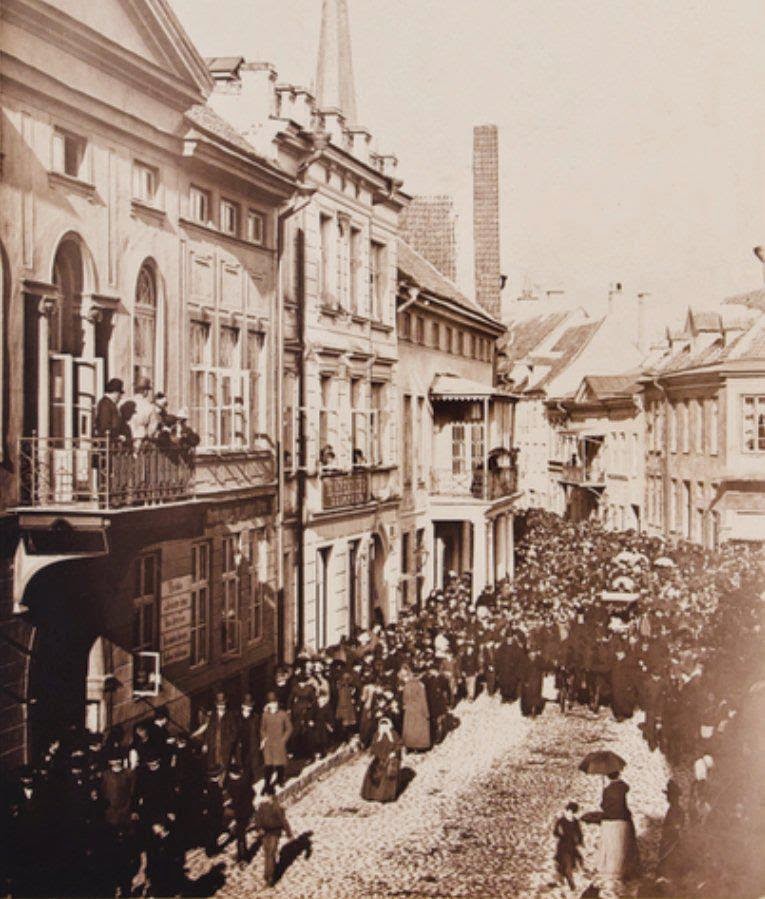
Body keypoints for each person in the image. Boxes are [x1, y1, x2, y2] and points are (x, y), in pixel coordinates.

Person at [597, 770, 640, 888]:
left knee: (610, 847)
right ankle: (623, 871)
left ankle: (609, 872)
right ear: (618, 774)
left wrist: (605, 789)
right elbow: (626, 787)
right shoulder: (622, 787)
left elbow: (603, 806)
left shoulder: (606, 790)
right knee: (622, 846)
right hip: (622, 820)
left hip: (608, 821)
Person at [253, 784, 294, 888]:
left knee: (271, 853)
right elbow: (257, 818)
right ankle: (268, 873)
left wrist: (289, 833)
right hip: (265, 833)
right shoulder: (261, 806)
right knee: (267, 853)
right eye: (264, 796)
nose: (265, 798)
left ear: (271, 796)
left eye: (267, 796)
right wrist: (259, 828)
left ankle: (270, 877)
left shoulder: (276, 807)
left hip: (275, 833)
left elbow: (283, 821)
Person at [360, 717, 402, 803]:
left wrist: (394, 753)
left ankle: (385, 796)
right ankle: (371, 795)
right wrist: (374, 753)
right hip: (379, 759)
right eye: (382, 725)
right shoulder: (377, 735)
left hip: (390, 760)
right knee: (373, 775)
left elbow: (399, 745)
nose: (384, 727)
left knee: (387, 778)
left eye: (386, 725)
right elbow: (373, 747)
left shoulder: (394, 734)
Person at [261, 692, 293, 793]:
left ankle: (280, 780)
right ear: (268, 704)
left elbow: (289, 728)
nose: (273, 705)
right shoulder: (265, 715)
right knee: (268, 765)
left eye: (275, 702)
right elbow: (262, 729)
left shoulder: (283, 714)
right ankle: (267, 784)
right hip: (269, 744)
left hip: (279, 743)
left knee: (280, 764)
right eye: (271, 703)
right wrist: (264, 738)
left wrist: (284, 740)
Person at [224, 762, 254, 866]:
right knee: (241, 834)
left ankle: (243, 858)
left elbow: (236, 800)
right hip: (246, 810)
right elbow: (252, 793)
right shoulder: (244, 782)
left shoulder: (233, 786)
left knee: (241, 836)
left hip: (240, 813)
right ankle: (242, 855)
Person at [553, 801, 583, 890]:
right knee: (567, 865)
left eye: (572, 812)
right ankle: (571, 885)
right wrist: (561, 835)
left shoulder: (575, 821)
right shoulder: (561, 821)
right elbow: (555, 832)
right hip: (563, 846)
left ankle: (563, 879)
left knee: (570, 864)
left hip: (572, 846)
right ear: (567, 810)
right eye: (569, 811)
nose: (570, 814)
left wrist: (580, 842)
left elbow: (579, 833)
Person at [401, 671, 431, 751]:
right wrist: (426, 713)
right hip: (418, 709)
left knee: (410, 727)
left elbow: (404, 699)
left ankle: (409, 745)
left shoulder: (407, 685)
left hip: (409, 709)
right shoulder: (420, 686)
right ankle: (419, 746)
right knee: (418, 728)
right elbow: (423, 700)